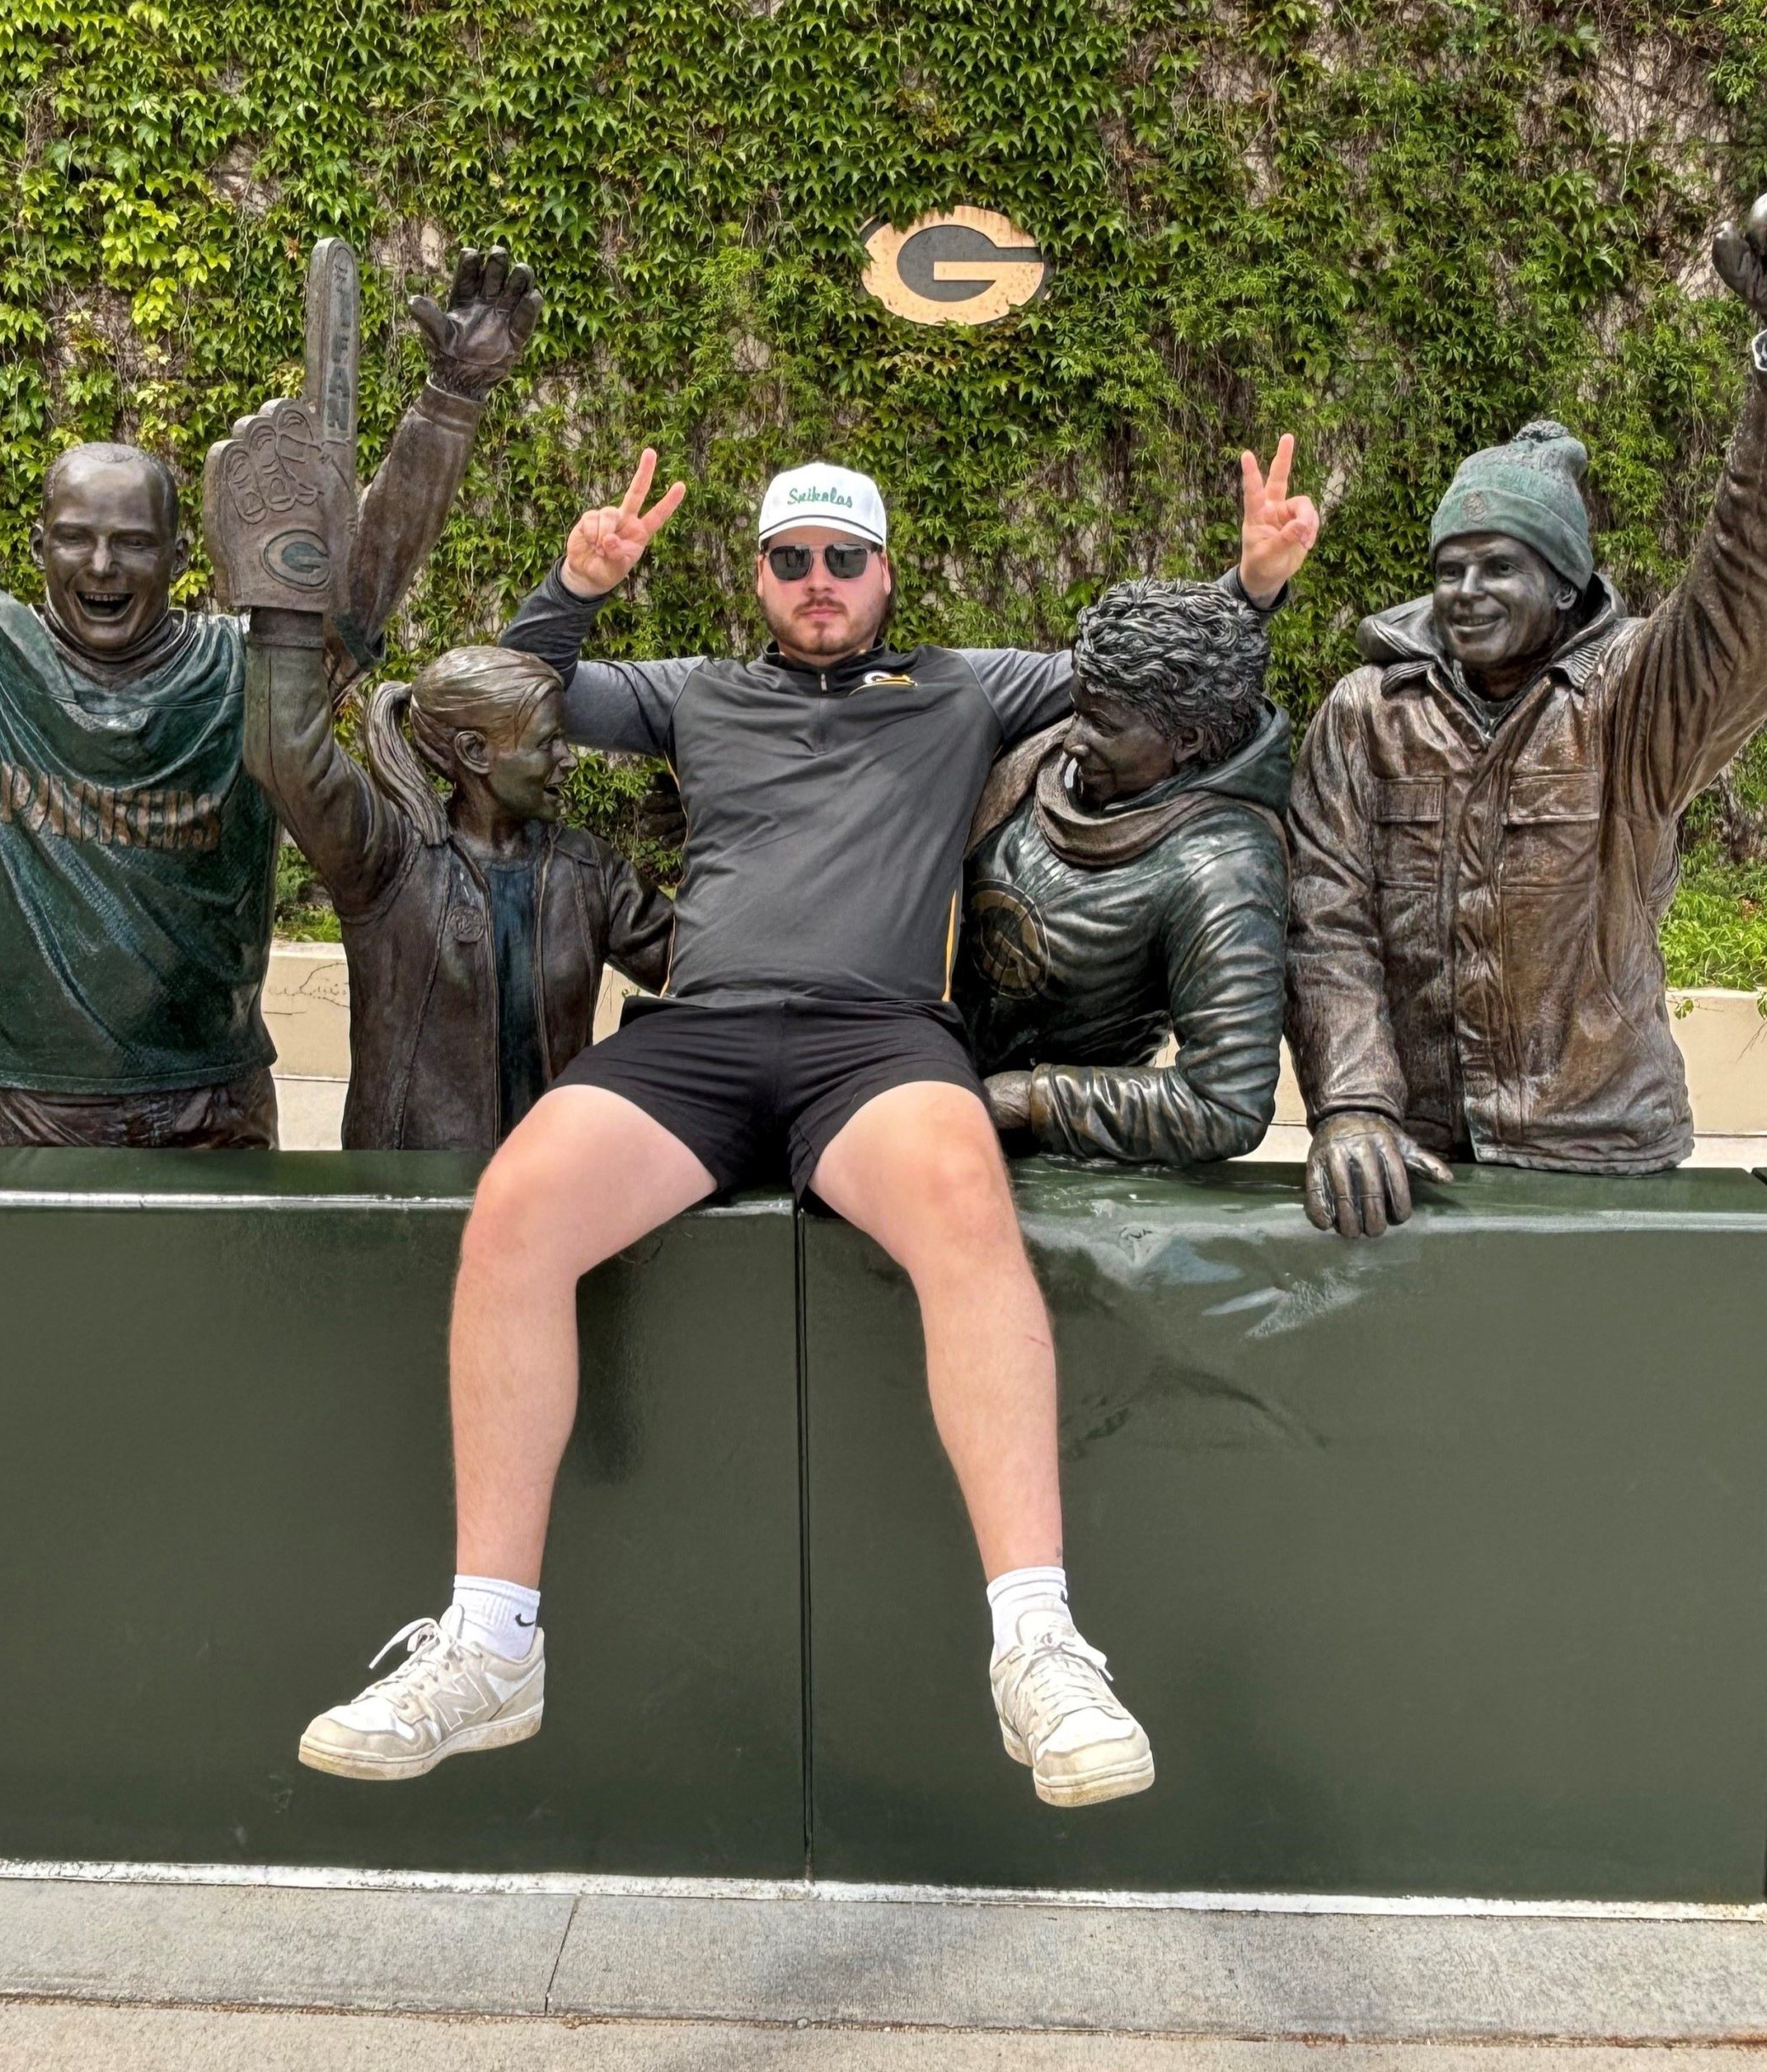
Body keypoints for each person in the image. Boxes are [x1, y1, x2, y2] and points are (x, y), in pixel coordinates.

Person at [297, 444, 1320, 1805]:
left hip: (874, 1038)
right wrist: (574, 585)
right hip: (703, 1035)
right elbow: (498, 701)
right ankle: (491, 1642)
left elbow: (1156, 679)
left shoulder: (966, 687)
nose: (819, 582)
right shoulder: (697, 694)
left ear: (887, 571)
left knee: (967, 1210)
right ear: (760, 573)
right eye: (792, 559)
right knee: (518, 1209)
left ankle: (1040, 1646)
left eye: (845, 558)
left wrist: (1247, 588)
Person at [0, 116, 537, 1144]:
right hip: (27, 1109)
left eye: (132, 542)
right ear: (39, 546)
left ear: (182, 557)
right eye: (76, 539)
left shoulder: (245, 677)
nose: (101, 565)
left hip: (210, 1105)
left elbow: (361, 585)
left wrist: (449, 403)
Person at [1286, 185, 1767, 1236]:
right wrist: (1352, 1106)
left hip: (1600, 1153)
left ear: (1564, 587)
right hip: (1411, 1159)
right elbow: (1325, 921)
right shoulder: (1364, 713)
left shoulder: (1635, 702)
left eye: (1499, 567)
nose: (1465, 590)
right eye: (1448, 568)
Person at [244, 636, 672, 1148]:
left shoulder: (589, 872)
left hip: (550, 1186)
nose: (568, 759)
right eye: (546, 743)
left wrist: (717, 827)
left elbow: (706, 968)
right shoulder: (388, 861)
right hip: (410, 1197)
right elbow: (287, 754)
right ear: (474, 752)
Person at [959, 577, 1289, 1165]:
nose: (1074, 739)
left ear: (1187, 738)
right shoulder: (1055, 748)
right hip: (912, 1078)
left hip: (1045, 1165)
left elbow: (1225, 1103)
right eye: (1077, 709)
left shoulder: (1224, 869)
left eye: (1103, 725)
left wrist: (1025, 1099)